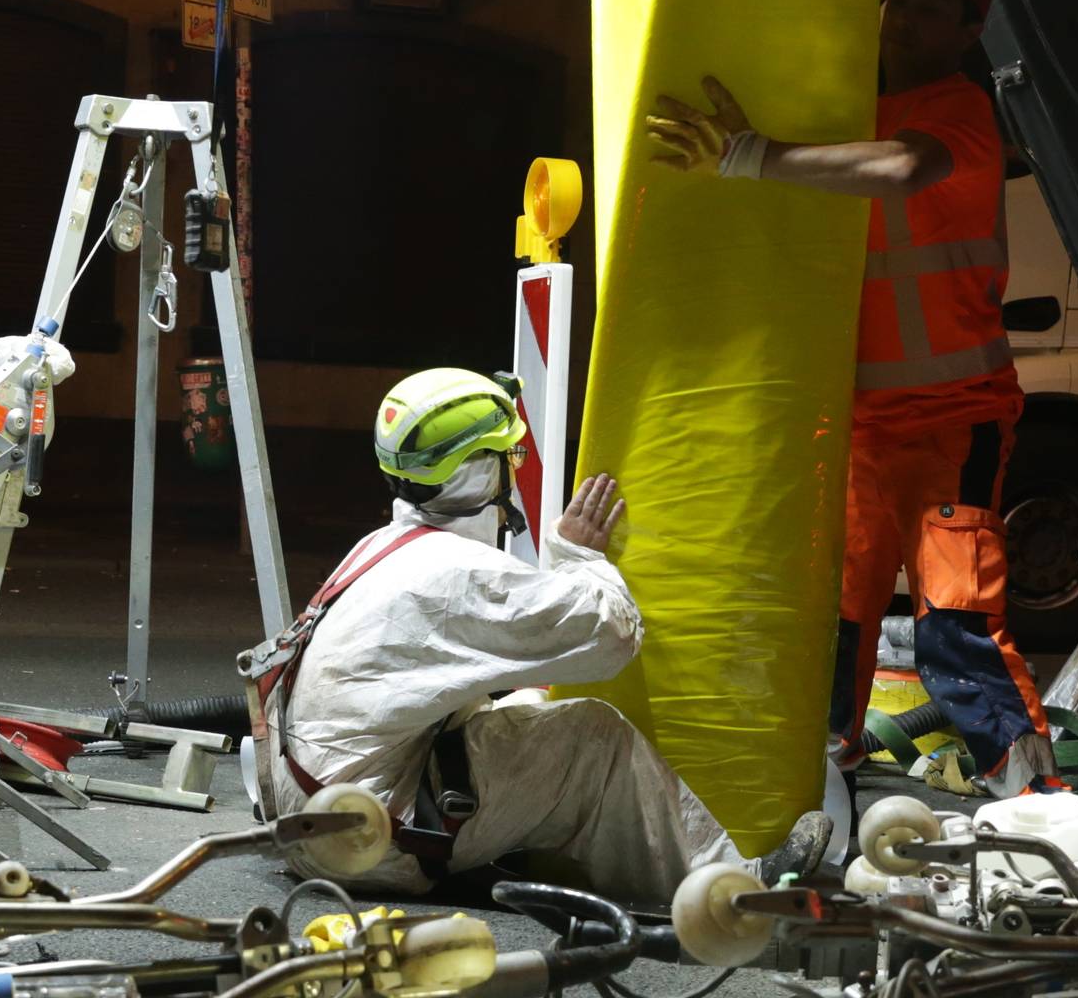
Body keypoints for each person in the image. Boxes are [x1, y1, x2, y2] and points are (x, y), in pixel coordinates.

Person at [643, 0, 1056, 797]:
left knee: (956, 624)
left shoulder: (958, 112)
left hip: (955, 421)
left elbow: (904, 168)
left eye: (930, 5)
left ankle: (1035, 798)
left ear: (970, 30)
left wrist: (750, 156)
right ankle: (818, 776)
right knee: (834, 617)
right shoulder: (846, 104)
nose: (903, 15)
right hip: (864, 424)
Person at [251, 369, 833, 902]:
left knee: (529, 703)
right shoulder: (455, 574)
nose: (515, 467)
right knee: (593, 738)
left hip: (312, 818)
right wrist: (576, 551)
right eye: (508, 455)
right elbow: (609, 634)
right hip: (369, 841)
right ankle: (732, 889)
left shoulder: (379, 548)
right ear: (479, 469)